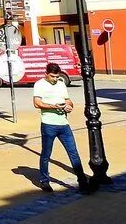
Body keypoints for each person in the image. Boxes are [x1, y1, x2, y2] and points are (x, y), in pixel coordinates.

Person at [32, 62, 93, 194]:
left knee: (73, 153)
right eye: (52, 76)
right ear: (46, 74)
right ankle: (44, 180)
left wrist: (69, 106)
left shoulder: (61, 84)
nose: (55, 79)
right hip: (48, 124)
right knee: (46, 154)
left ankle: (82, 181)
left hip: (64, 124)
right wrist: (54, 106)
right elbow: (37, 103)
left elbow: (68, 100)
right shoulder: (39, 84)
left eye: (57, 76)